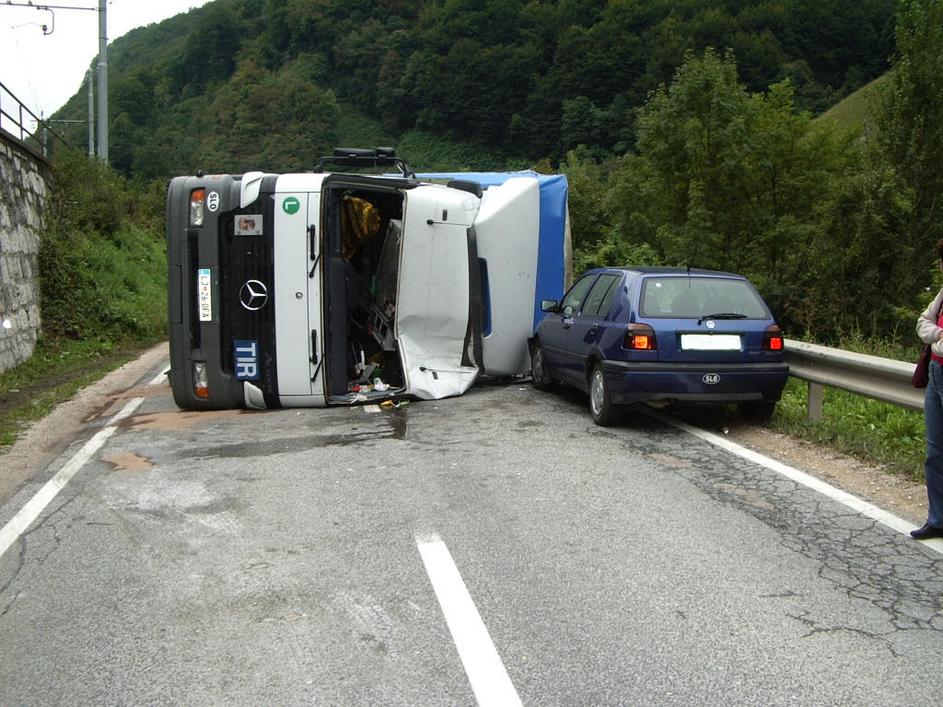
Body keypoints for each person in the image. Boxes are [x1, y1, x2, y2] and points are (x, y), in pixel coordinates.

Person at [911, 239, 943, 540]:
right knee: (935, 451)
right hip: (936, 372)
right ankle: (937, 519)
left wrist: (936, 337)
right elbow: (923, 322)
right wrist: (939, 336)